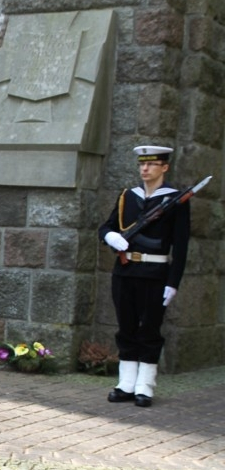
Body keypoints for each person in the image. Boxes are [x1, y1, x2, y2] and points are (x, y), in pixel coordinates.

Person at [98, 145, 189, 407]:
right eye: (142, 164)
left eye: (151, 164)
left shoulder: (175, 200)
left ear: (165, 167)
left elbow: (181, 246)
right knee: (126, 327)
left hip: (155, 273)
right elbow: (107, 226)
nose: (145, 169)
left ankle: (145, 386)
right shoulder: (129, 196)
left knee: (149, 329)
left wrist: (173, 282)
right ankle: (126, 383)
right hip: (125, 272)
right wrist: (110, 236)